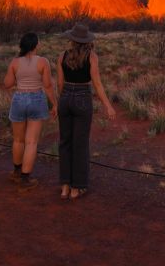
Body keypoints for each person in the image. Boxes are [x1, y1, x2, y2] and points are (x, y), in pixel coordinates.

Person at [57, 23, 116, 200]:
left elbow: (59, 84)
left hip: (65, 98)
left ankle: (65, 187)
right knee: (80, 144)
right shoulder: (92, 57)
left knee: (65, 142)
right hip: (83, 98)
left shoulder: (62, 56)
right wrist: (108, 105)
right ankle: (77, 188)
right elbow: (97, 84)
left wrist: (61, 102)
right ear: (86, 41)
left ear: (72, 40)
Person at [4, 32, 58, 191]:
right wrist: (55, 104)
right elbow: (47, 86)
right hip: (36, 99)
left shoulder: (15, 62)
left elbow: (7, 84)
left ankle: (16, 172)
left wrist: (16, 75)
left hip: (19, 99)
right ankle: (25, 179)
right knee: (31, 142)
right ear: (35, 45)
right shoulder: (43, 62)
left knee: (18, 140)